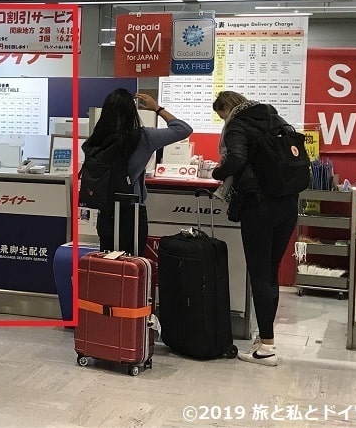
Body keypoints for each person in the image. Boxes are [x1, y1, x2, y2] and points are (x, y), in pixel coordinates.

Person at [211, 91, 299, 367]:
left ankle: (268, 348)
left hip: (259, 206)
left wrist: (217, 173)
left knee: (259, 274)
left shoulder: (238, 125)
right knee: (270, 273)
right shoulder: (275, 118)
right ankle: (265, 337)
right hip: (287, 204)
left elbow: (235, 159)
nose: (222, 120)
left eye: (221, 115)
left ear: (228, 107)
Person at [83, 89, 193, 255]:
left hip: (105, 211)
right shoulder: (143, 137)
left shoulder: (96, 139)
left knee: (106, 264)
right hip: (131, 212)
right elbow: (183, 129)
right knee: (130, 265)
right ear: (132, 111)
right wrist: (157, 108)